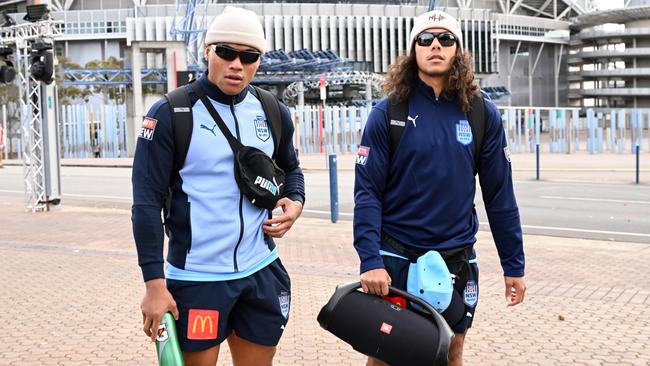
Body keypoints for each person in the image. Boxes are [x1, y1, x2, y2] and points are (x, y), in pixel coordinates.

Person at [131, 6, 305, 366]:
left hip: (261, 269)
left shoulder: (272, 109)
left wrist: (295, 200)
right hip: (198, 277)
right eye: (226, 52)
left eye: (249, 56)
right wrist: (154, 284)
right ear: (207, 50)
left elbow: (291, 169)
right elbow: (146, 203)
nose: (237, 64)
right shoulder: (171, 113)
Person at [353, 10, 526, 366]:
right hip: (398, 256)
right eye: (425, 39)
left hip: (457, 258)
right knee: (385, 354)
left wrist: (514, 265)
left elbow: (500, 196)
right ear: (412, 50)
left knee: (451, 352)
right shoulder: (388, 112)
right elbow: (367, 192)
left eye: (445, 39)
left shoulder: (480, 113)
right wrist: (370, 260)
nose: (435, 45)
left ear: (458, 50)